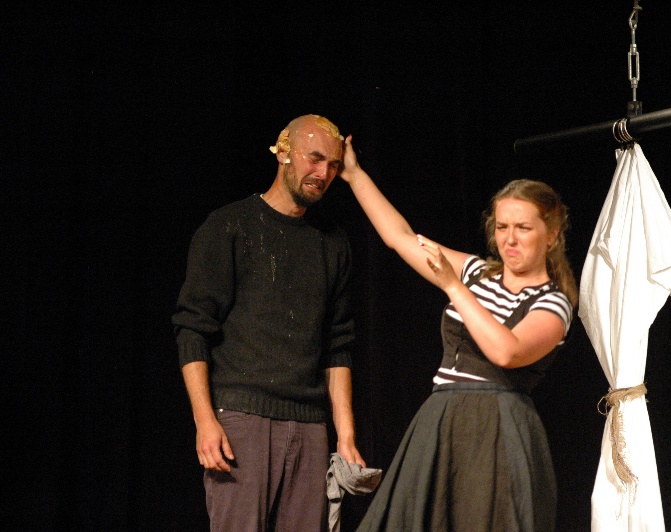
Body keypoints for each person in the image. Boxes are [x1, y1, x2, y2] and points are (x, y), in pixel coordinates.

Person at [339, 135, 578, 532]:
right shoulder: (476, 272)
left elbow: (506, 352)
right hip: (442, 418)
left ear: (551, 234)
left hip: (497, 428)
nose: (509, 239)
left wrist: (453, 286)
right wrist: (354, 175)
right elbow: (400, 237)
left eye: (523, 228)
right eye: (502, 227)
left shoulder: (554, 302)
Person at [172, 114, 366, 532]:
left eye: (333, 165)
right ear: (283, 153)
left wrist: (345, 435)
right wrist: (205, 420)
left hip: (310, 427)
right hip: (242, 420)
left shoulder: (333, 242)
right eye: (315, 159)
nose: (324, 174)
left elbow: (338, 344)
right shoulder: (229, 226)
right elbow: (193, 329)